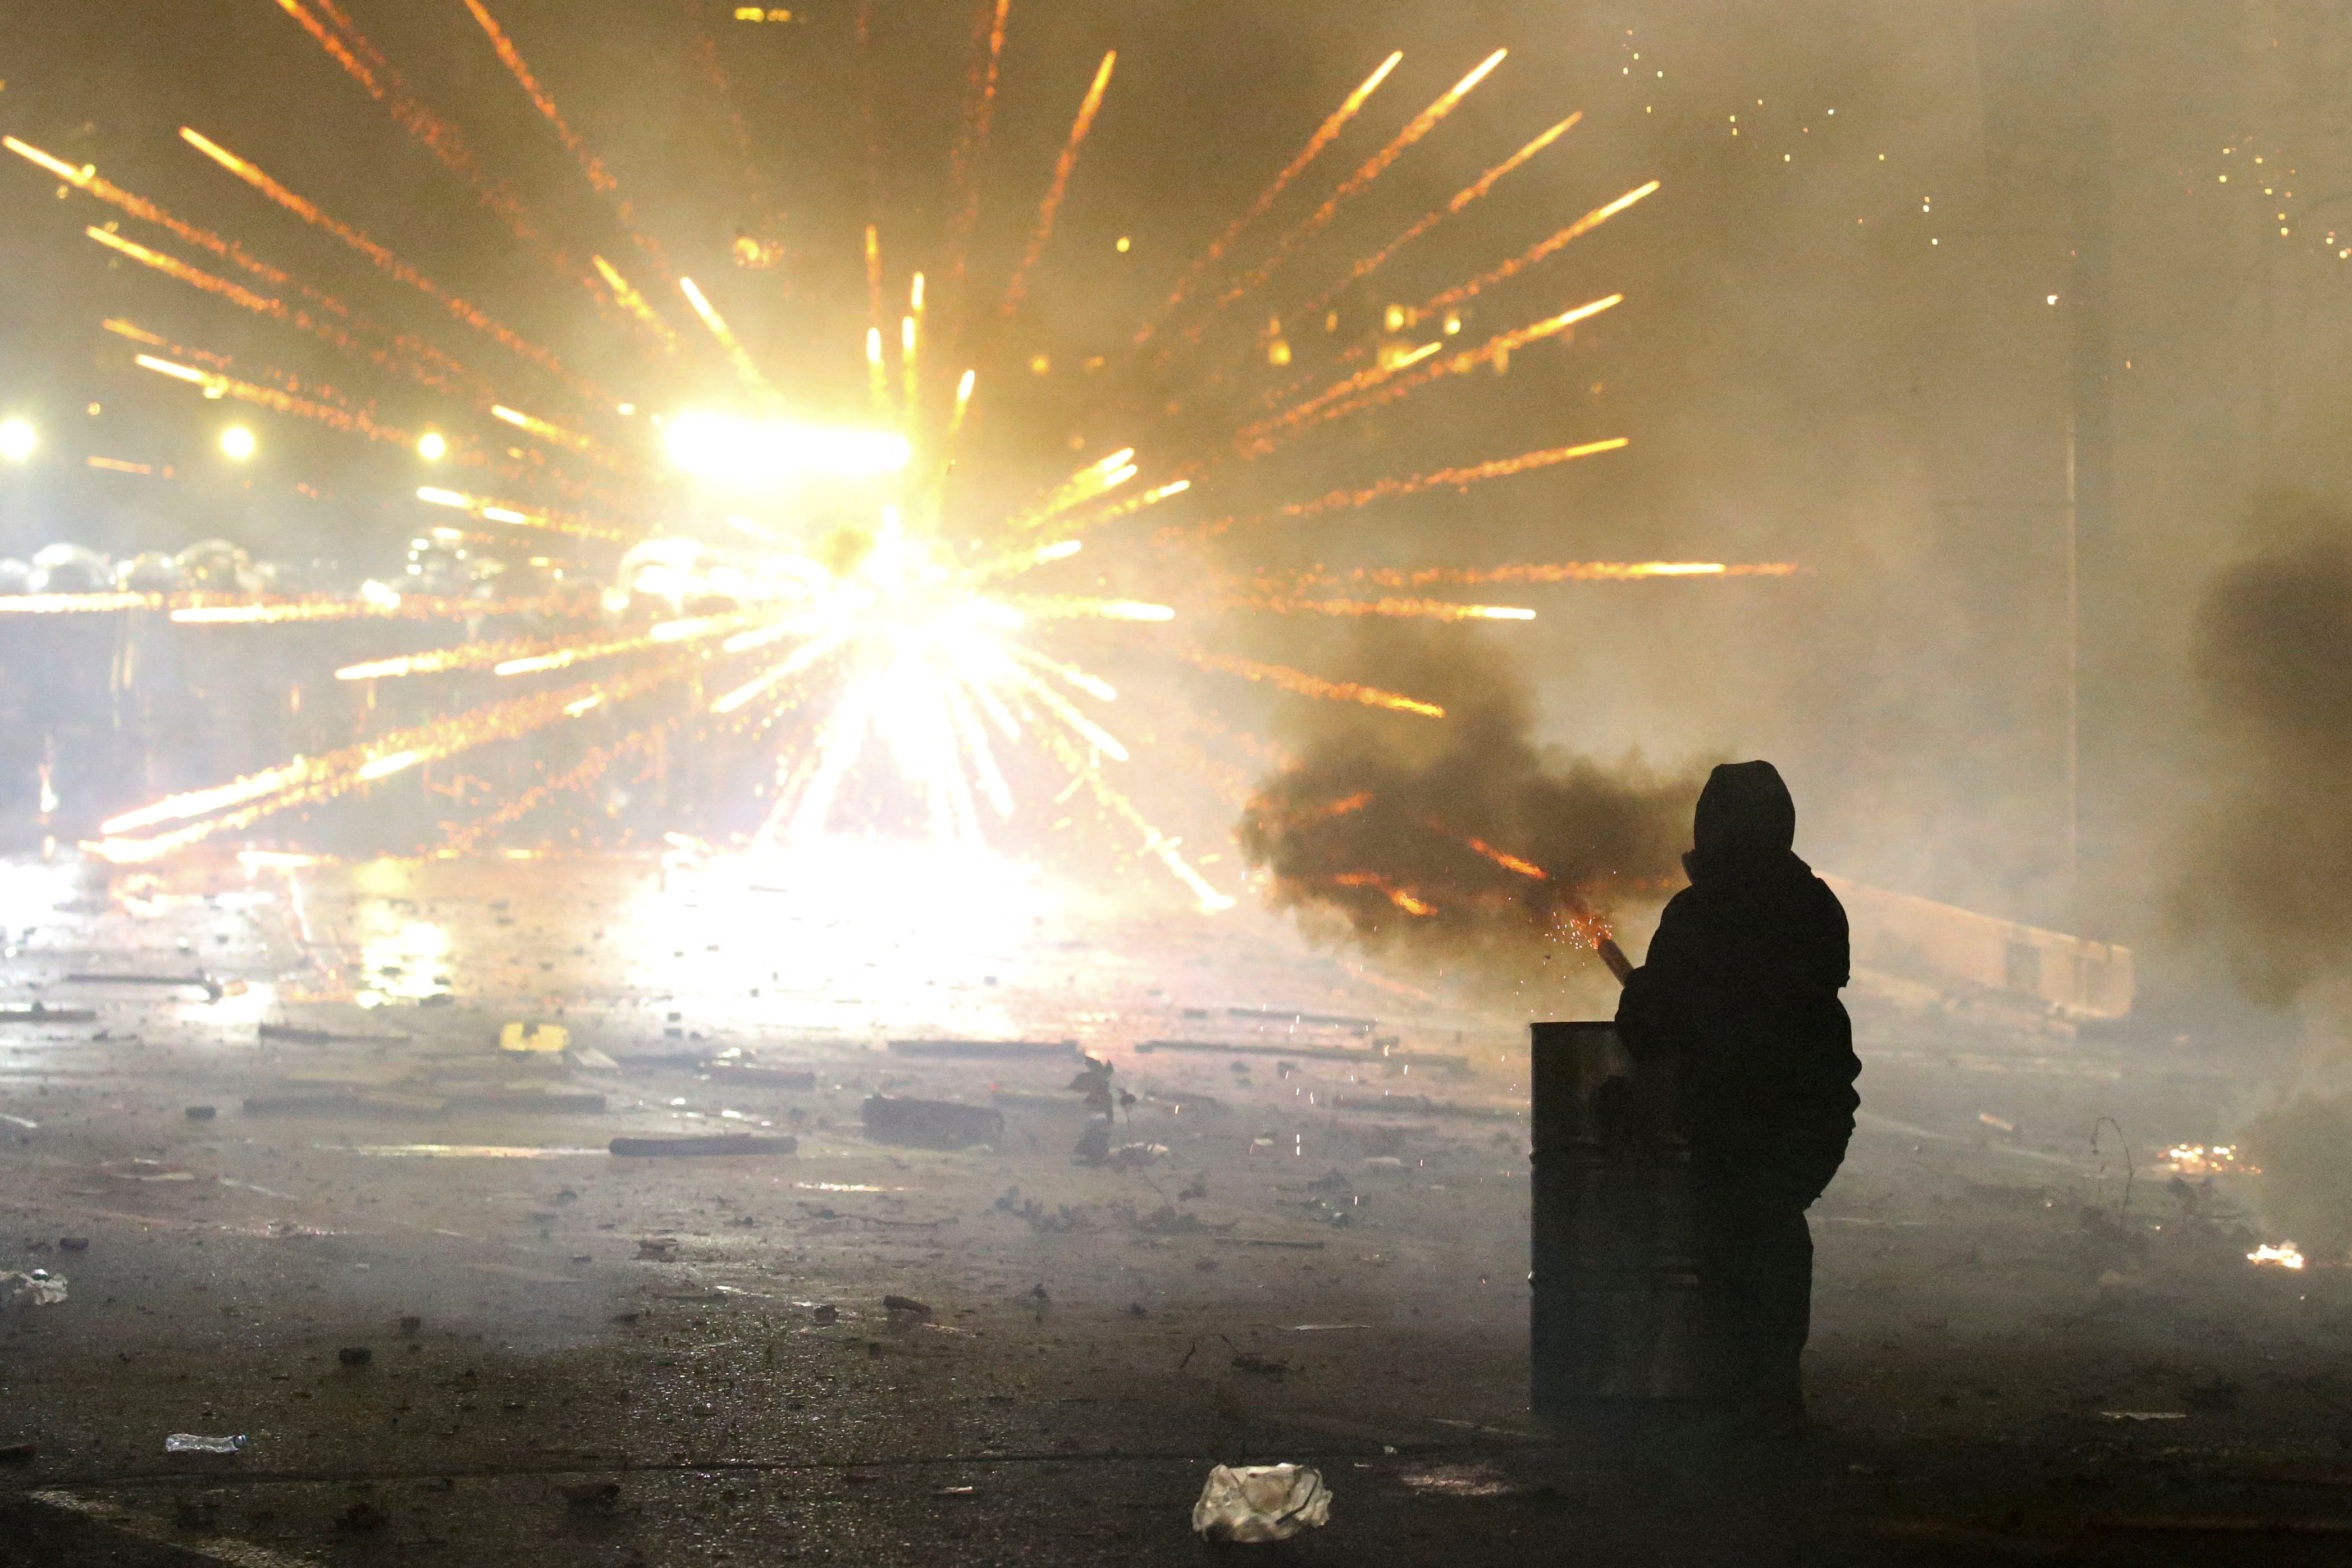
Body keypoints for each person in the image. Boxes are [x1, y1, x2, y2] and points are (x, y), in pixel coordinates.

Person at [1614, 760, 1859, 1437]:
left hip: (1732, 1114)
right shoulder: (1812, 904)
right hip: (1810, 1109)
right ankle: (1772, 1391)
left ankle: (1734, 1402)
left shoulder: (1699, 916)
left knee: (1727, 1250)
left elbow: (1649, 1029)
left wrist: (1643, 997)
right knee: (1775, 1233)